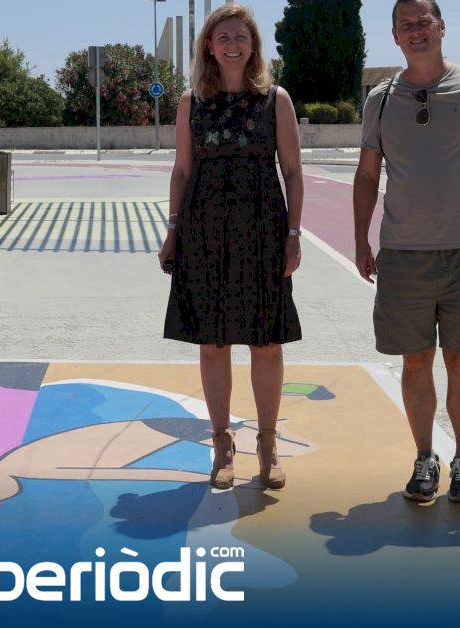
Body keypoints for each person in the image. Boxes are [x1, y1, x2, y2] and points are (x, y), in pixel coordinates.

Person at [354, 0, 460, 503]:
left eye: (424, 22)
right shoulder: (381, 99)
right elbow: (367, 175)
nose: (416, 31)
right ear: (395, 36)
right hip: (404, 253)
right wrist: (360, 240)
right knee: (415, 362)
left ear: (441, 27)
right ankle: (425, 458)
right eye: (406, 25)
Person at [159, 4, 305, 491]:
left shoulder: (276, 99)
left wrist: (293, 234)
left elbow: (293, 171)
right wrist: (172, 232)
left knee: (266, 341)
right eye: (223, 37)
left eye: (240, 36)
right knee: (213, 341)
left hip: (263, 229)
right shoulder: (191, 102)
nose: (232, 45)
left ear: (253, 45)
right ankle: (222, 444)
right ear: (209, 45)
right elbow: (182, 170)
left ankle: (267, 443)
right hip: (203, 229)